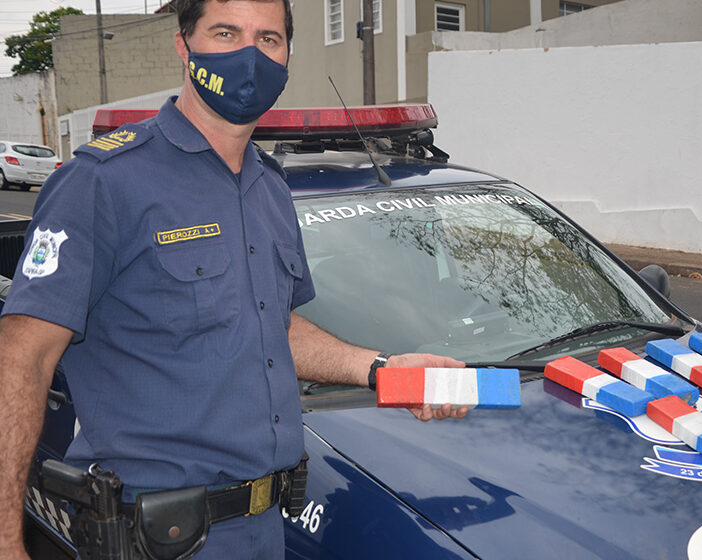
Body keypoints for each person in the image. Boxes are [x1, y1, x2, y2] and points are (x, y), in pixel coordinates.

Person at [0, 1, 466, 558]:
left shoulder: (269, 187)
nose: (250, 54)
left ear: (288, 54)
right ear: (184, 45)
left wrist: (382, 368)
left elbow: (272, 327)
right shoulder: (102, 182)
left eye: (268, 39)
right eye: (226, 33)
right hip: (153, 535)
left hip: (265, 526)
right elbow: (21, 357)